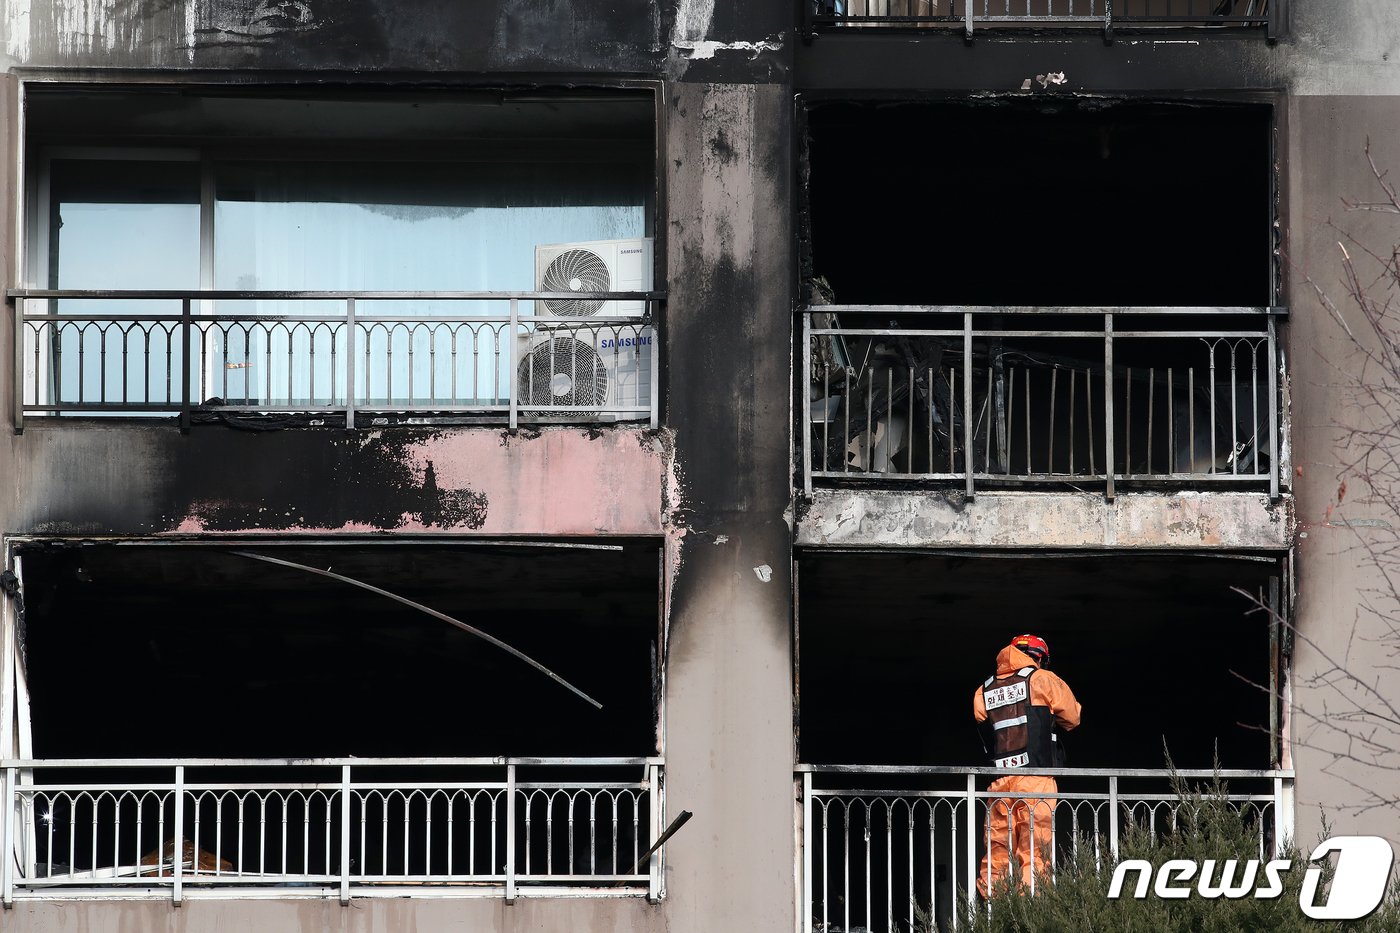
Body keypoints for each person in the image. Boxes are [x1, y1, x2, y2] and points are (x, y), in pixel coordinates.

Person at [972, 633, 1081, 898]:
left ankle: (992, 917)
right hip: (1036, 779)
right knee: (1035, 852)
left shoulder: (983, 689)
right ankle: (1031, 914)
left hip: (999, 784)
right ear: (1040, 658)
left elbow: (985, 729)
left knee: (996, 856)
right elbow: (1072, 718)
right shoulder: (1043, 679)